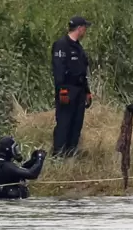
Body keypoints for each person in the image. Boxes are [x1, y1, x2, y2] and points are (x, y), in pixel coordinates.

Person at [51, 15, 93, 158]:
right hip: (67, 90)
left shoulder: (78, 47)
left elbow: (82, 71)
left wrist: (87, 91)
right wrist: (61, 89)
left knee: (76, 123)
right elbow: (58, 69)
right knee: (64, 122)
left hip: (79, 90)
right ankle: (59, 154)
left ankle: (71, 152)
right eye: (84, 28)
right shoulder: (61, 45)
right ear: (80, 28)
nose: (85, 31)